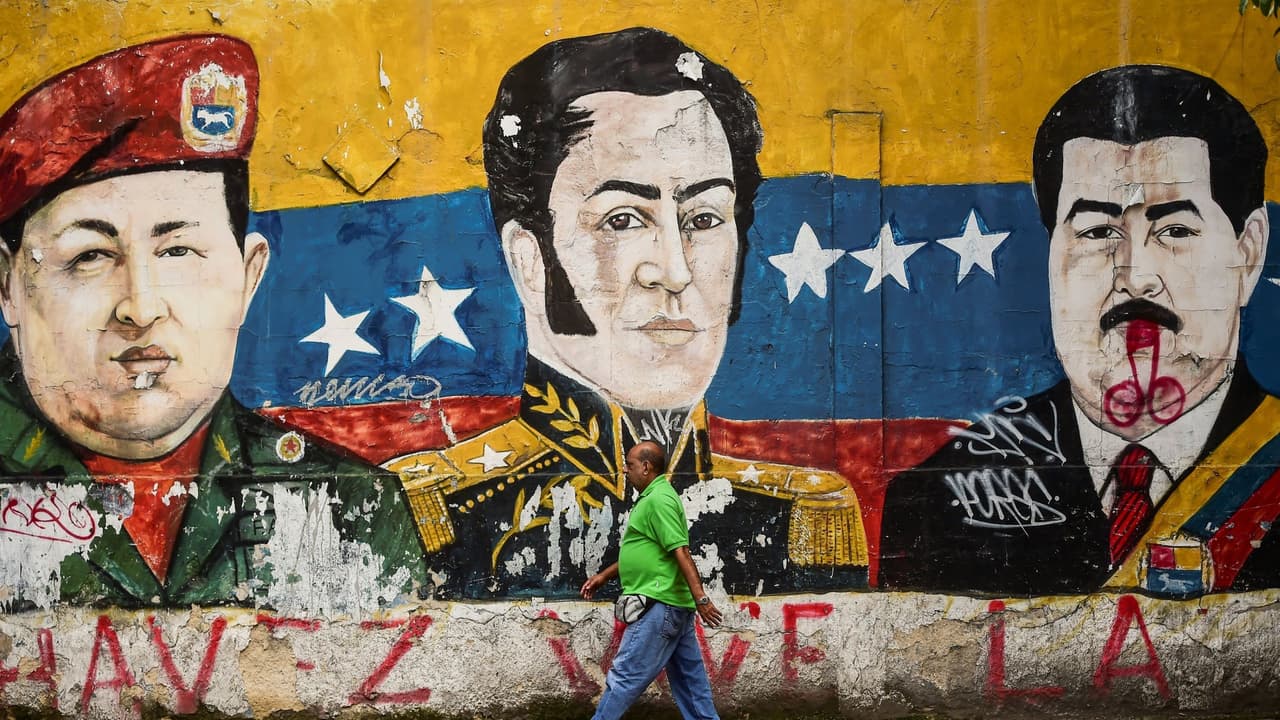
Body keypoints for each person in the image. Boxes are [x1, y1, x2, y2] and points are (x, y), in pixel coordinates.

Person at [385, 27, 867, 599]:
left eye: (705, 218)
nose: (675, 271)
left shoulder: (800, 515)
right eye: (622, 219)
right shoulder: (440, 510)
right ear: (529, 259)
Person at [0, 35, 426, 610]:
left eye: (178, 251)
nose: (140, 307)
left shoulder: (348, 506)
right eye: (90, 256)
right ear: (8, 287)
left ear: (248, 277)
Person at [879, 64, 1280, 597]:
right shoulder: (936, 503)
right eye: (1096, 231)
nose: (1135, 276)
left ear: (1247, 253)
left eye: (1175, 230)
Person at [581, 441, 723, 720]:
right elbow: (647, 550)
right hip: (672, 605)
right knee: (691, 685)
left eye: (630, 465)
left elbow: (680, 550)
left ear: (646, 467)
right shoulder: (654, 497)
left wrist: (702, 598)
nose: (625, 470)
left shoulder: (659, 499)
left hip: (659, 605)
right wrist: (604, 576)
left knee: (624, 676)